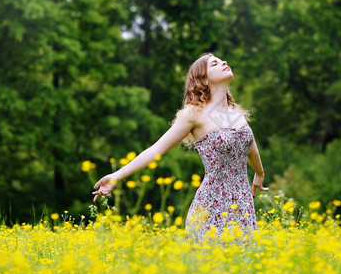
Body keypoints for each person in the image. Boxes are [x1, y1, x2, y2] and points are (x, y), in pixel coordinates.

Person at [93, 53, 268, 241]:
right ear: (204, 80)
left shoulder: (235, 114)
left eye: (222, 61)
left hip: (242, 205)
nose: (224, 62)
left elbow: (251, 149)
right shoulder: (195, 113)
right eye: (215, 64)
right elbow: (156, 150)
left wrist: (259, 173)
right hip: (211, 207)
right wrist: (117, 175)